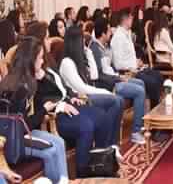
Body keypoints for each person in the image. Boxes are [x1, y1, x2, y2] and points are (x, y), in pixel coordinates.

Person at [26, 22, 118, 177]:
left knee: (102, 116)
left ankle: (99, 162)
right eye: (47, 38)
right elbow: (42, 102)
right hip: (56, 115)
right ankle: (83, 173)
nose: (49, 42)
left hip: (68, 104)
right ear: (38, 42)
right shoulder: (33, 69)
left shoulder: (49, 62)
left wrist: (72, 97)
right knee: (86, 126)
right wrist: (61, 104)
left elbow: (62, 86)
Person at [0, 37, 69, 184]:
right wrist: (43, 110)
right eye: (40, 58)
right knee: (51, 150)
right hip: (13, 140)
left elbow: (56, 94)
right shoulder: (19, 87)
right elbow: (23, 125)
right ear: (30, 60)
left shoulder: (28, 79)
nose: (43, 61)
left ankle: (64, 181)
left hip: (22, 133)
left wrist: (43, 77)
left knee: (59, 142)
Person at [59, 26, 124, 146]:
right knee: (115, 101)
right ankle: (105, 145)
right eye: (82, 39)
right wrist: (105, 92)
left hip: (88, 94)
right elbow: (82, 88)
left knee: (119, 100)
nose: (84, 42)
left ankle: (112, 144)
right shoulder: (67, 62)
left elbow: (94, 76)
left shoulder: (79, 59)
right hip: (81, 98)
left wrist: (88, 53)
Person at [89, 17, 147, 144]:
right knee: (139, 91)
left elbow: (110, 66)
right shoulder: (94, 49)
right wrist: (118, 78)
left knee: (140, 83)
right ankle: (136, 132)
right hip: (107, 84)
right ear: (103, 33)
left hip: (114, 78)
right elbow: (99, 75)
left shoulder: (104, 46)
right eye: (109, 31)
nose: (111, 33)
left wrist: (119, 75)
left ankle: (142, 122)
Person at [110, 9, 164, 118]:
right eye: (131, 18)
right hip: (128, 71)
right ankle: (153, 116)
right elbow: (118, 63)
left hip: (135, 67)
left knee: (158, 76)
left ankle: (155, 112)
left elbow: (129, 55)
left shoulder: (127, 33)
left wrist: (137, 62)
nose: (132, 20)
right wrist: (134, 64)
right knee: (152, 82)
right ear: (125, 20)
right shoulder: (118, 37)